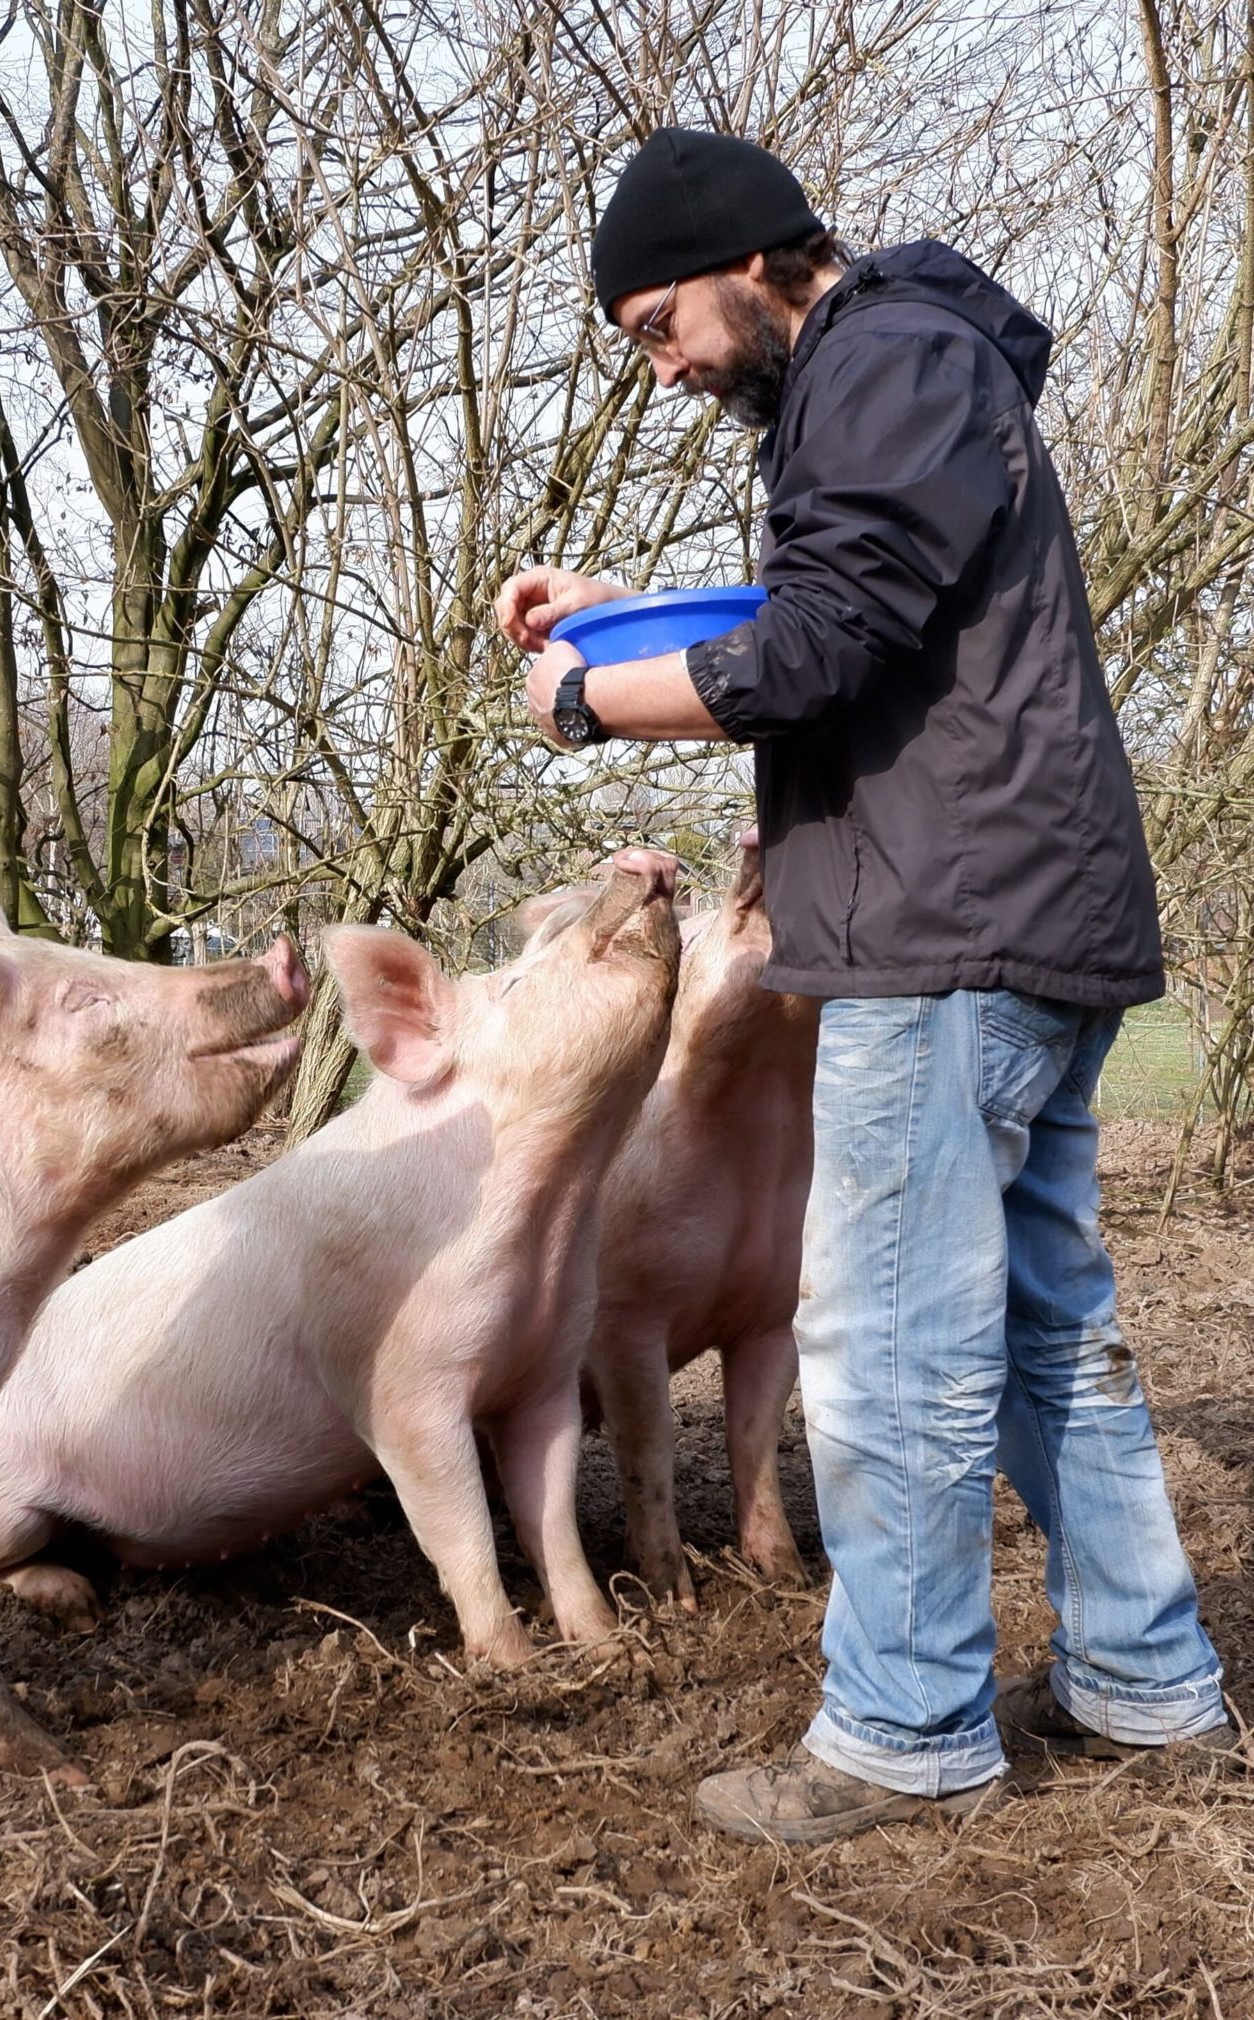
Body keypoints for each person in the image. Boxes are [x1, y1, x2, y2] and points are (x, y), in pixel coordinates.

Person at [494, 126, 1232, 1845]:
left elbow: (815, 650)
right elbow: (856, 597)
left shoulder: (882, 356)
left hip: (944, 930)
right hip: (1017, 917)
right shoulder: (909, 366)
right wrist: (625, 612)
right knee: (1049, 1326)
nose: (661, 366)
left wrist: (594, 705)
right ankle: (1144, 1679)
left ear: (755, 259)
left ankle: (906, 1724)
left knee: (890, 1343)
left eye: (658, 323)